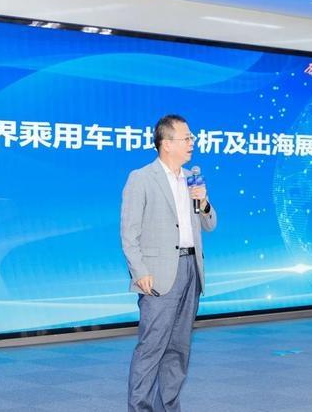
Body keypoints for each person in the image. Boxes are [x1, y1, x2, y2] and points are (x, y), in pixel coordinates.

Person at [121, 114, 217, 411]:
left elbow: (210, 224)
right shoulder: (141, 178)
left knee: (179, 349)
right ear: (166, 144)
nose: (192, 142)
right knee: (152, 348)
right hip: (158, 275)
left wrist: (203, 202)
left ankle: (169, 406)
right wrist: (139, 271)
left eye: (191, 137)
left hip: (191, 270)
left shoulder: (192, 179)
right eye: (186, 138)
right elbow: (129, 232)